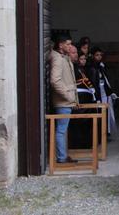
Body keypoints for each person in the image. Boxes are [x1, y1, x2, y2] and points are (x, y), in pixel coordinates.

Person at [49, 34, 79, 163]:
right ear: (60, 45)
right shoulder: (58, 59)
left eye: (71, 43)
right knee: (61, 130)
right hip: (63, 102)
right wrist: (68, 96)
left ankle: (63, 155)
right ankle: (61, 157)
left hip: (66, 101)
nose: (70, 46)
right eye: (67, 44)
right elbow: (55, 81)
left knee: (63, 130)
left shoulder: (64, 57)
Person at [68, 48, 97, 149]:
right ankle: (78, 145)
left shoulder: (84, 69)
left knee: (86, 123)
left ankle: (86, 143)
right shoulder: (73, 68)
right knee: (78, 123)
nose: (83, 61)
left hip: (86, 97)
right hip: (79, 97)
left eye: (84, 59)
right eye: (81, 58)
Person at [89, 47, 117, 137]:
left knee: (107, 114)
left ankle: (106, 132)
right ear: (93, 56)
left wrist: (110, 92)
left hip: (104, 93)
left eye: (101, 55)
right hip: (98, 94)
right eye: (97, 55)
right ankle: (99, 135)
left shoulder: (101, 66)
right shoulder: (91, 68)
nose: (99, 57)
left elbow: (105, 80)